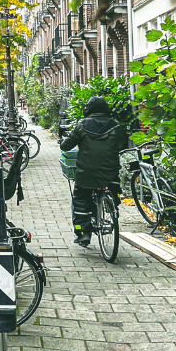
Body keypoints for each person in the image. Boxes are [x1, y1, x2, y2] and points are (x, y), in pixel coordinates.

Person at [59, 96, 128, 247]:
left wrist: (62, 141)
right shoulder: (115, 126)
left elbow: (66, 146)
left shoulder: (82, 125)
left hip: (86, 174)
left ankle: (81, 232)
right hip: (110, 174)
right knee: (113, 189)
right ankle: (112, 204)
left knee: (79, 200)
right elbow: (123, 145)